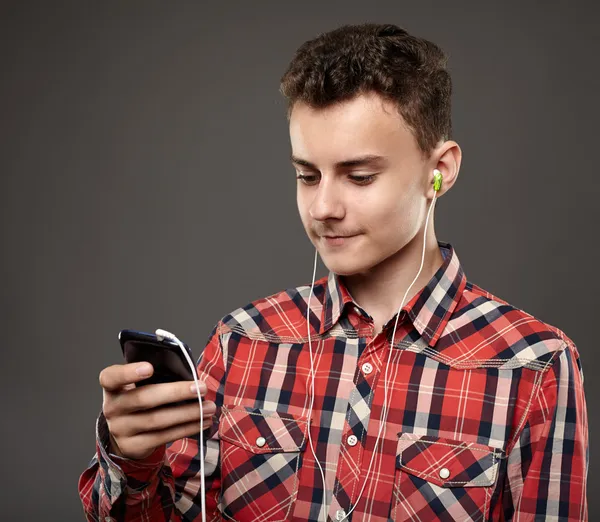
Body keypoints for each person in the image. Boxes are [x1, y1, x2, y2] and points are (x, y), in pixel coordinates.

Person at [78, 22, 588, 521]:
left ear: (442, 170)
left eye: (359, 176)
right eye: (306, 175)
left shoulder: (534, 368)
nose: (323, 207)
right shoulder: (241, 342)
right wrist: (131, 458)